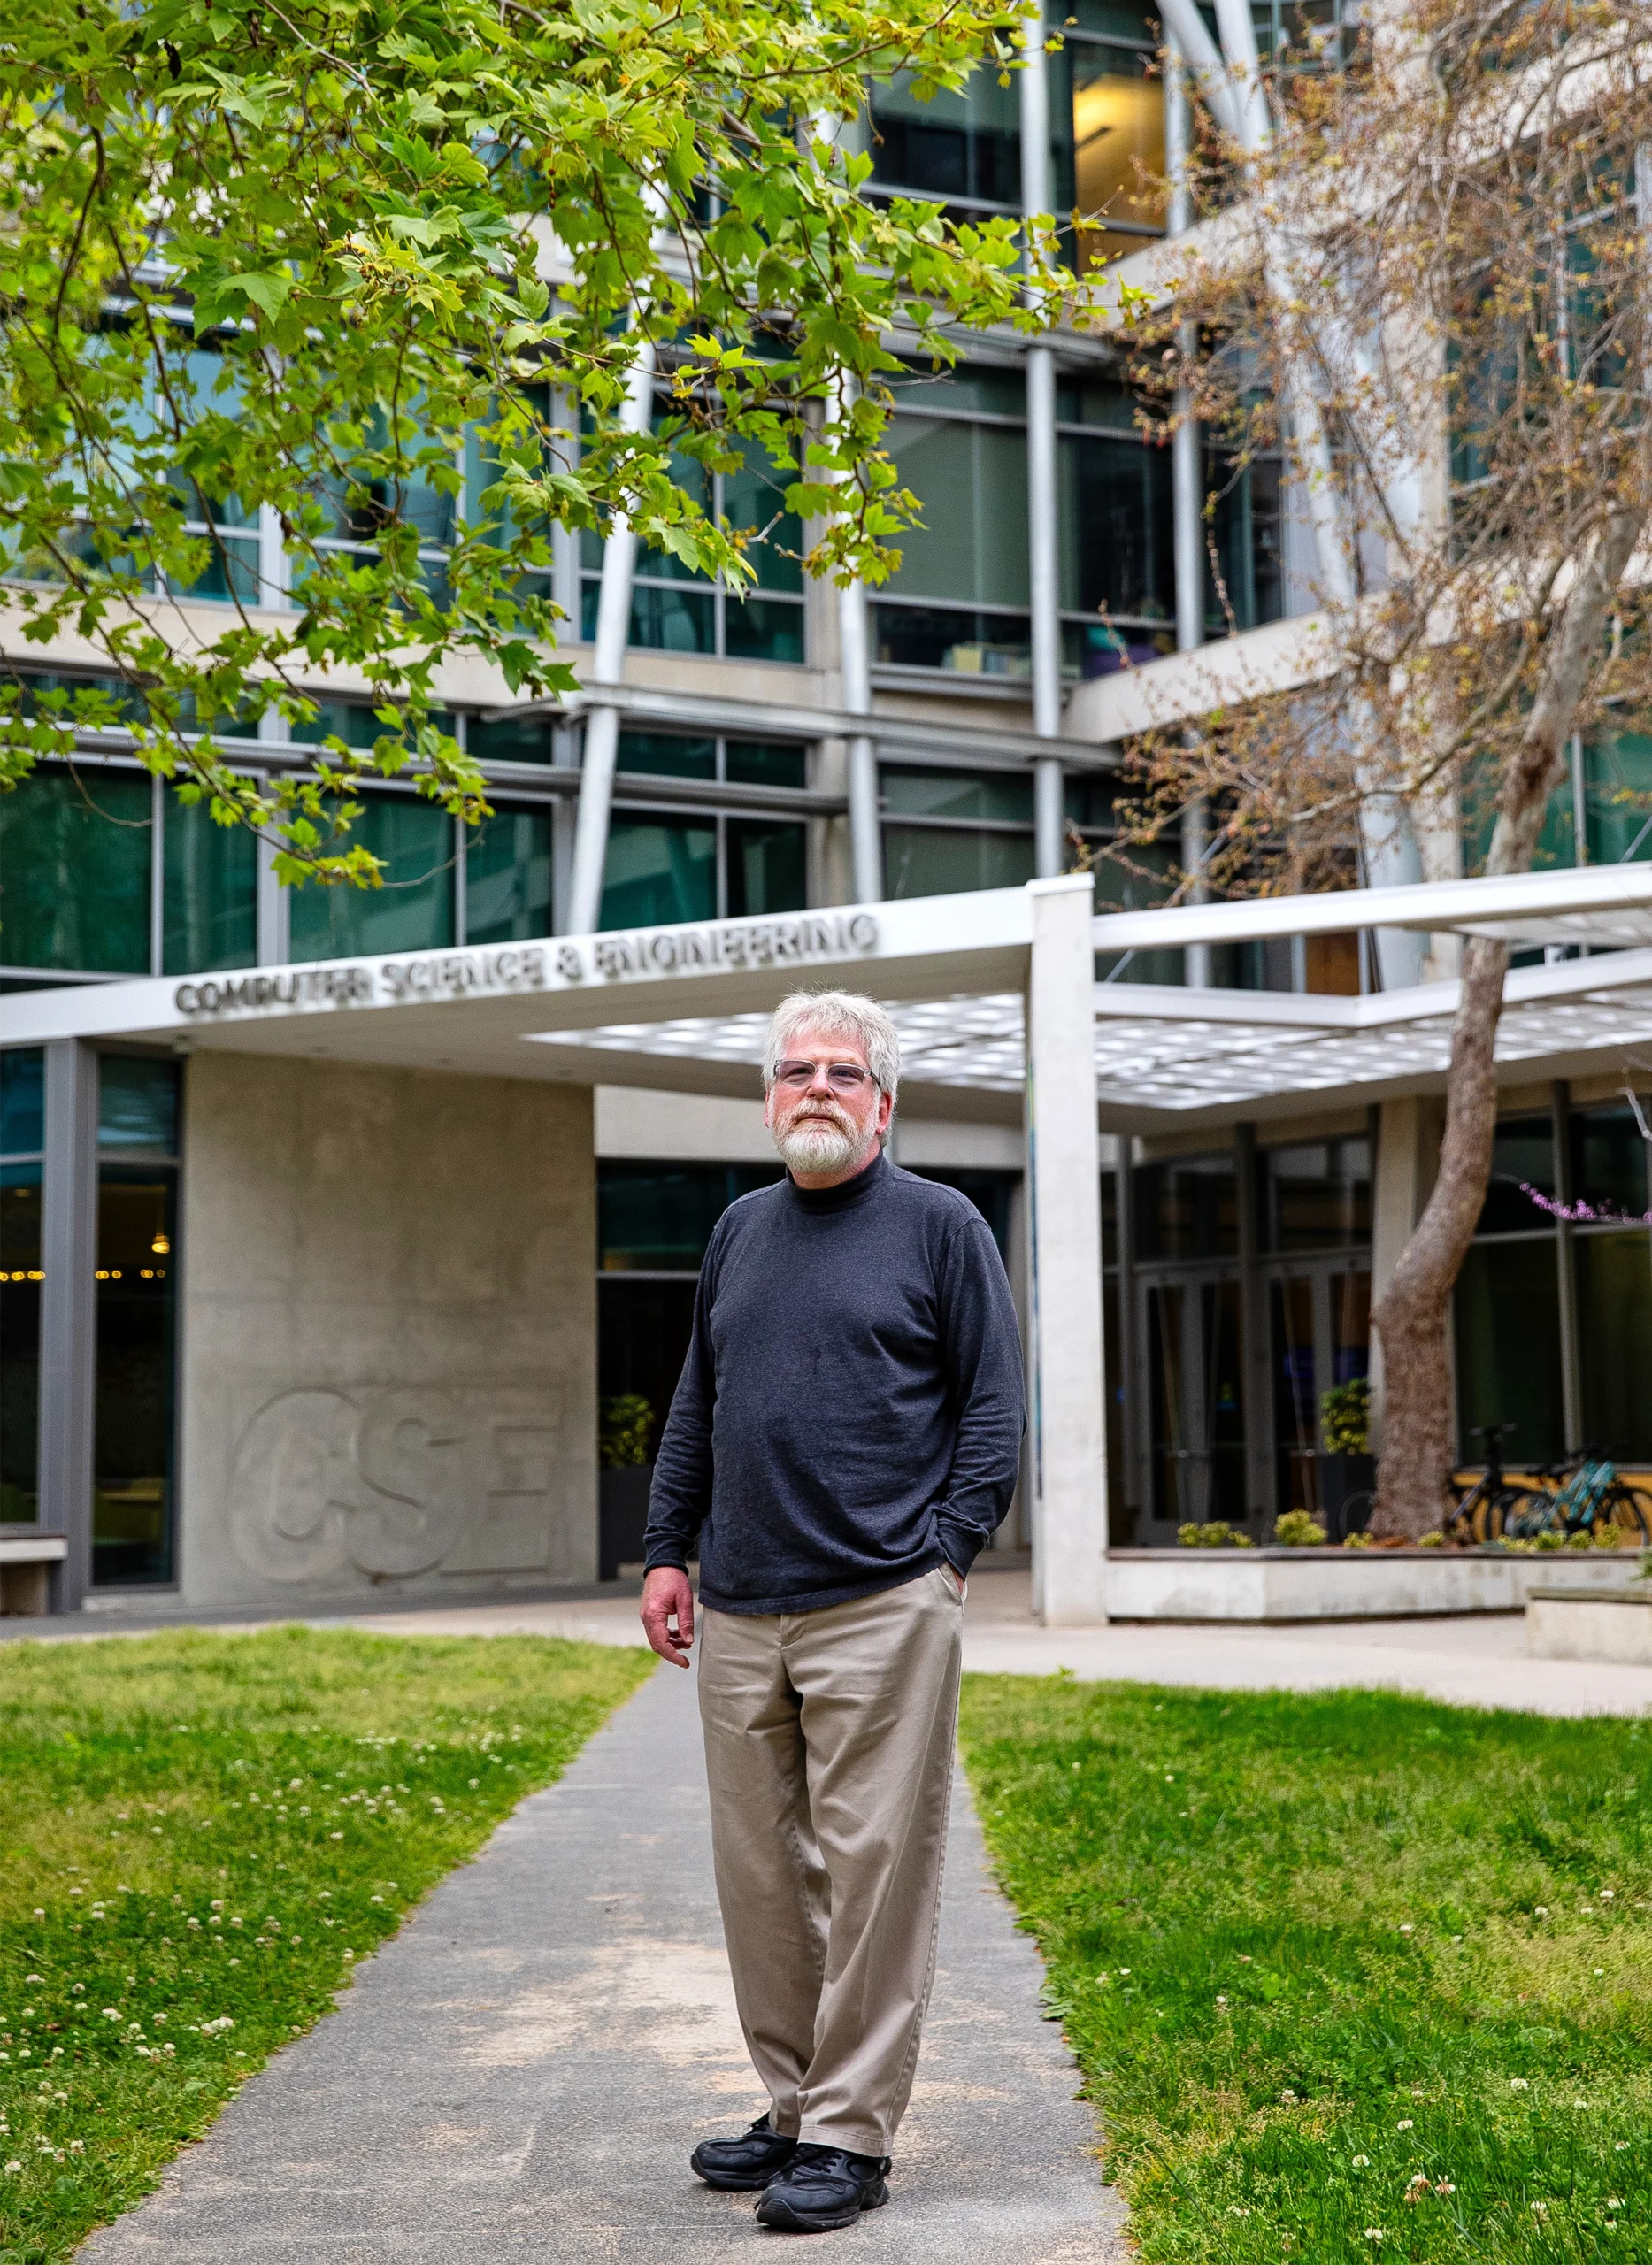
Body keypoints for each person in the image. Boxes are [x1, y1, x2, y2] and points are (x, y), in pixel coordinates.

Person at [638, 987, 1026, 2236]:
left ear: (882, 1102)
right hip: (742, 1603)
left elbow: (991, 1410)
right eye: (794, 1070)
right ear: (769, 1098)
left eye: (841, 1073)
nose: (815, 1086)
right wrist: (665, 1550)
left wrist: (946, 1558)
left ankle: (851, 2135)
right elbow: (699, 1396)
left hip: (881, 1599)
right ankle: (793, 2105)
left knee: (873, 1876)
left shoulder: (938, 1225)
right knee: (759, 1876)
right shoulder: (740, 1230)